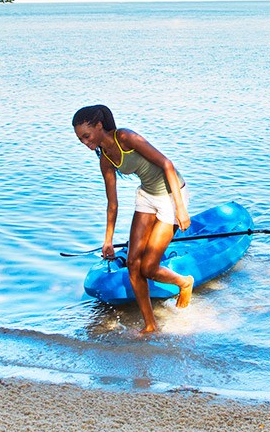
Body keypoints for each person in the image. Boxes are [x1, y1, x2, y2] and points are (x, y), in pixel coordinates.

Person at [71, 104, 193, 334]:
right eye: (80, 139)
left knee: (148, 267)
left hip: (171, 194)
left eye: (86, 136)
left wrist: (180, 209)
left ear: (99, 126)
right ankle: (150, 325)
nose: (85, 142)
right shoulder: (105, 159)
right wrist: (108, 240)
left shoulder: (125, 137)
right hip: (147, 196)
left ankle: (184, 282)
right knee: (133, 265)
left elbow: (167, 164)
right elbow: (112, 203)